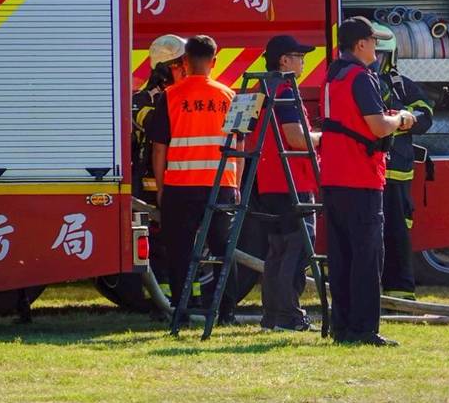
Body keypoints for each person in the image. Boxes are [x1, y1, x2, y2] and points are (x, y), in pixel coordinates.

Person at [320, 16, 413, 346]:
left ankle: (343, 328)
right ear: (361, 44)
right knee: (366, 257)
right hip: (360, 178)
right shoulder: (361, 77)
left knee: (341, 258)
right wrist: (402, 119)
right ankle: (363, 330)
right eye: (373, 41)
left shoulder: (333, 76)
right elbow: (376, 127)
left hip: (333, 178)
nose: (376, 47)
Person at [148, 35, 239, 324]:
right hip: (220, 186)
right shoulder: (229, 96)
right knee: (223, 249)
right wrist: (234, 184)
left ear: (185, 62)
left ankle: (182, 312)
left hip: (180, 186)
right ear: (214, 62)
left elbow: (159, 147)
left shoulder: (170, 96)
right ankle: (225, 312)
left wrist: (161, 188)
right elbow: (237, 143)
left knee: (180, 251)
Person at [255, 34, 320, 332]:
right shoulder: (284, 90)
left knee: (277, 250)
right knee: (297, 250)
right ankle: (289, 316)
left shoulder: (262, 88)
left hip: (268, 180)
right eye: (299, 56)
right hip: (292, 180)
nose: (303, 61)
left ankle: (272, 316)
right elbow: (294, 137)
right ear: (284, 60)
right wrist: (325, 137)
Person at [370, 24, 434, 301]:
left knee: (397, 236)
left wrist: (408, 117)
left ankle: (401, 296)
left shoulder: (401, 85)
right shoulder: (358, 83)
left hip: (396, 175)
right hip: (368, 175)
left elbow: (427, 113)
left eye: (382, 56)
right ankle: (371, 294)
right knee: (369, 238)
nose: (376, 61)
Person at [131, 34, 186, 200]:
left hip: (182, 185)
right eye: (180, 66)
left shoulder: (185, 96)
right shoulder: (141, 101)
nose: (186, 70)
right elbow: (158, 125)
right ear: (164, 71)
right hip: (149, 189)